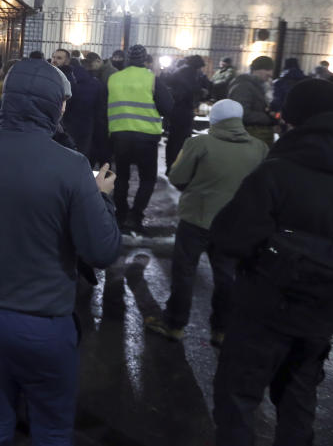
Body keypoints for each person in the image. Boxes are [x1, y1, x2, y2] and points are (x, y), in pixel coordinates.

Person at [0, 58, 121, 446]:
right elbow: (101, 249)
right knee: (51, 423)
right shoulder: (70, 166)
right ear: (55, 106)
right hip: (42, 320)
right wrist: (103, 199)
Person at [210, 79, 333, 446]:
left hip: (262, 310)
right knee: (299, 406)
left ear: (294, 116)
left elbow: (229, 238)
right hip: (321, 311)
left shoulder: (277, 171)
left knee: (238, 402)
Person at [144, 99, 268, 345]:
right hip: (234, 223)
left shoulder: (200, 143)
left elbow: (177, 176)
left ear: (215, 119)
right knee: (227, 276)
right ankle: (222, 330)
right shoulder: (259, 148)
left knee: (185, 273)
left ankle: (174, 324)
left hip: (197, 219)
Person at [107, 44, 174, 233]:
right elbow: (168, 106)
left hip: (120, 134)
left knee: (121, 177)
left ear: (127, 59)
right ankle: (135, 216)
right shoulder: (152, 79)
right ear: (145, 60)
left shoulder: (114, 79)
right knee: (147, 179)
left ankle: (120, 213)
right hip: (146, 136)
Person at [164, 54, 210, 173]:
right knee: (181, 140)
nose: (201, 70)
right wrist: (201, 90)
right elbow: (190, 87)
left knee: (174, 139)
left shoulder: (182, 70)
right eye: (200, 68)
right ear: (197, 66)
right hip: (183, 110)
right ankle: (176, 166)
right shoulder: (188, 72)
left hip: (177, 109)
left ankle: (171, 165)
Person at [228, 55, 276, 147]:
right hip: (249, 136)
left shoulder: (257, 85)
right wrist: (268, 118)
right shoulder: (243, 86)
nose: (270, 73)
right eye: (267, 69)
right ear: (257, 70)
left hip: (254, 136)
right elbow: (243, 113)